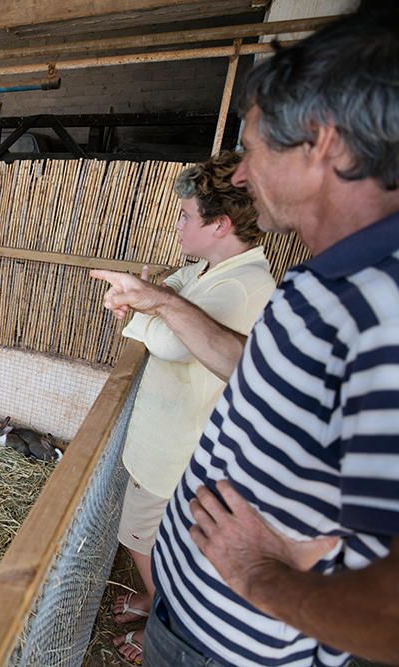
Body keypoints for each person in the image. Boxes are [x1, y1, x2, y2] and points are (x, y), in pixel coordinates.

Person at [91, 8, 399, 666]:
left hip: (236, 649)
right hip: (197, 619)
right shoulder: (326, 285)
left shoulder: (384, 308)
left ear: (319, 142)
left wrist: (261, 577)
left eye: (253, 148)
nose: (238, 175)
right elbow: (245, 363)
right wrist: (160, 298)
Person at [109, 150, 275, 665]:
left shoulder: (244, 286)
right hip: (169, 441)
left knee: (142, 536)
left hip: (178, 454)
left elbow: (174, 343)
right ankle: (155, 599)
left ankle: (164, 618)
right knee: (153, 538)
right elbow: (172, 291)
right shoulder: (210, 268)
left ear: (220, 223)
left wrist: (144, 311)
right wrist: (156, 301)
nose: (177, 226)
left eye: (186, 216)